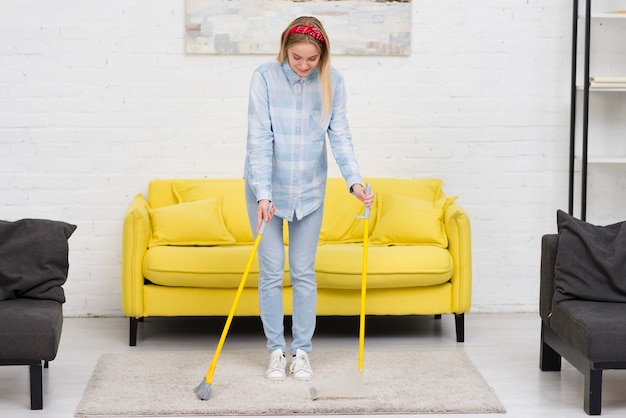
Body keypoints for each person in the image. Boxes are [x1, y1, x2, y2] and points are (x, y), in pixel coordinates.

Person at [244, 16, 374, 381]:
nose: (303, 66)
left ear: (323, 55)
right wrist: (264, 193)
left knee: (302, 272)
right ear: (285, 49)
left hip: (310, 190)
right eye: (296, 57)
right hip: (264, 189)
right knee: (270, 273)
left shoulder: (334, 83)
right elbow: (259, 138)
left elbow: (341, 136)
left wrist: (355, 183)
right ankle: (275, 351)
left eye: (311, 59)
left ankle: (301, 351)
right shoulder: (265, 77)